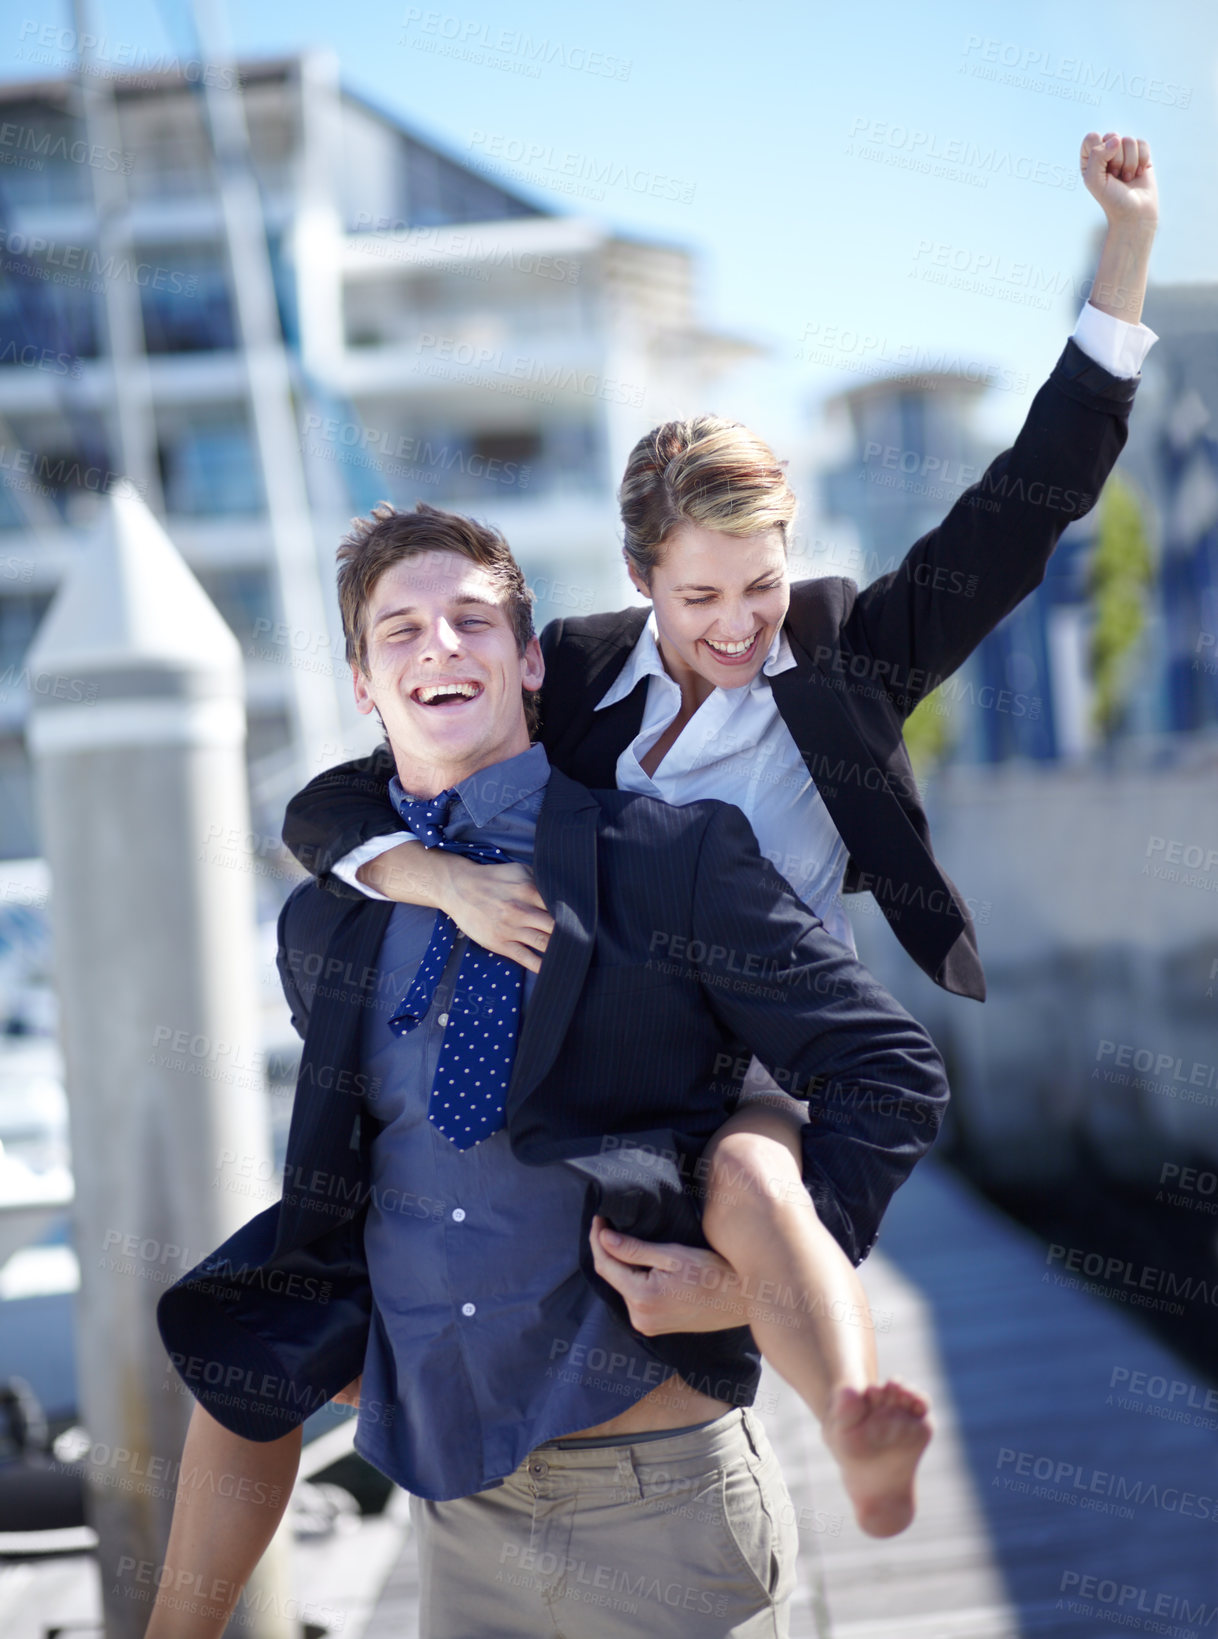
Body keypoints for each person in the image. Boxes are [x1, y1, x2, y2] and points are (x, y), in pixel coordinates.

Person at [280, 123, 1158, 1517]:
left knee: (755, 1178)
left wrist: (1122, 252)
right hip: (585, 1041)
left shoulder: (854, 661)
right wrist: (431, 877)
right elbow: (337, 796)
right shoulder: (555, 667)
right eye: (698, 598)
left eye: (761, 583)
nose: (740, 625)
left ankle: (858, 1410)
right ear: (639, 575)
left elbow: (1022, 507)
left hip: (759, 1035)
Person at [151, 502, 949, 1638]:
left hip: (660, 1502)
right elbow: (389, 1165)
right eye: (401, 630)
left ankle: (852, 1410)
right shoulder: (326, 924)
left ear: (530, 660)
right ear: (363, 683)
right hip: (459, 1509)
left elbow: (888, 1069)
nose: (440, 645)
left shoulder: (668, 856)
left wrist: (752, 1285)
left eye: (474, 621)